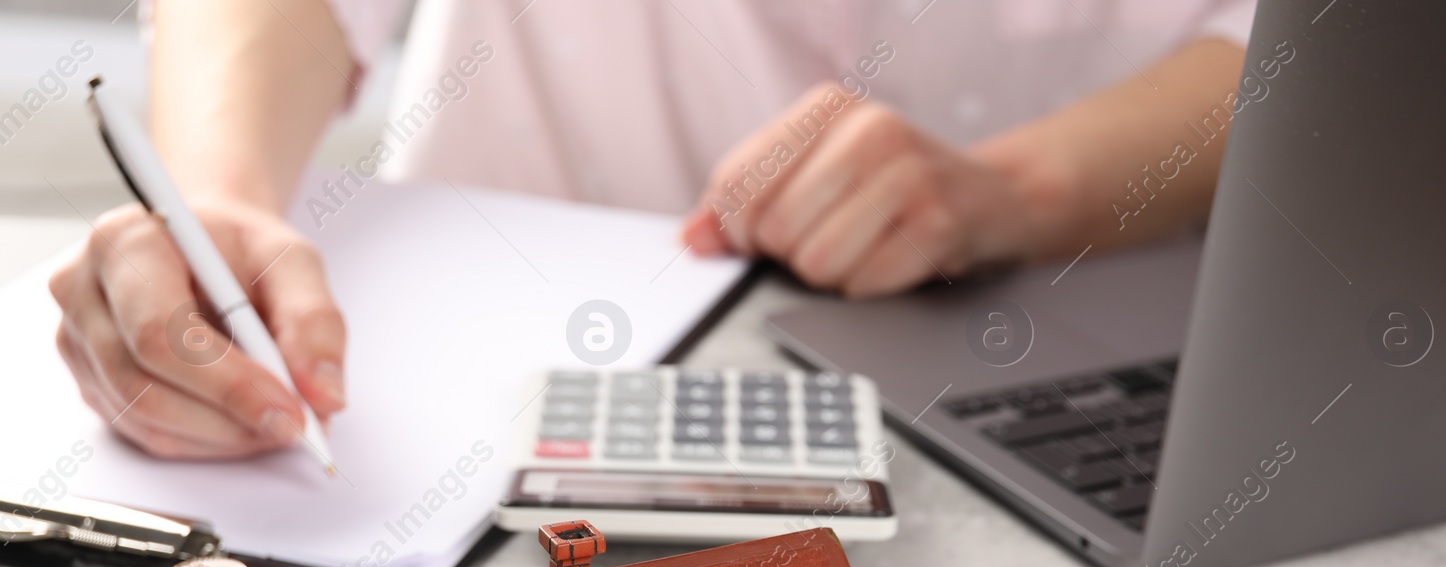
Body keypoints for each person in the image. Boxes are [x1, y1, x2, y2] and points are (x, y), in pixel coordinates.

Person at [49, 0, 1255, 461]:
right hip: (471, 384)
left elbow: (1303, 42)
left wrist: (1015, 192)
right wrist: (218, 196)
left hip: (1052, 387)